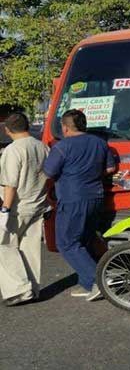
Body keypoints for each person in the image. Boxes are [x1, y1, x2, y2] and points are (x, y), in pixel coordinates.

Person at [43, 109, 116, 301]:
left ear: (65, 128)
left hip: (72, 198)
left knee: (66, 243)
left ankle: (97, 281)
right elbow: (110, 168)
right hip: (96, 197)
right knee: (84, 239)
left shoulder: (62, 147)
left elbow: (49, 171)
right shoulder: (100, 143)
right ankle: (87, 282)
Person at [0, 113, 49, 305]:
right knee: (30, 248)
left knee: (5, 246)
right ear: (27, 126)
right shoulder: (42, 147)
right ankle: (33, 288)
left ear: (7, 130)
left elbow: (10, 183)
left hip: (17, 207)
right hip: (38, 204)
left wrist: (4, 209)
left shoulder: (13, 150)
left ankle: (20, 290)